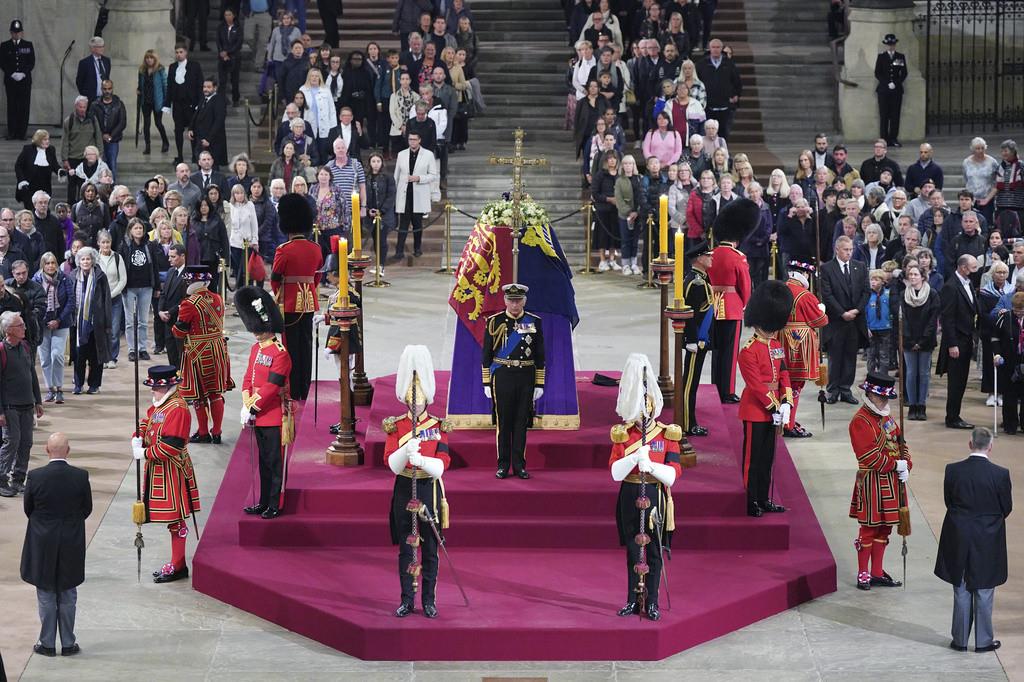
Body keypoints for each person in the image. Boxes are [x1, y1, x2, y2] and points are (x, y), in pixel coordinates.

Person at [609, 353, 680, 622]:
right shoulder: (623, 434)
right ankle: (631, 599)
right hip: (629, 493)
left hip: (655, 495)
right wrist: (633, 459)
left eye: (646, 408)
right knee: (631, 548)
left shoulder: (666, 433)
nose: (643, 415)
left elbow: (673, 475)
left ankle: (652, 601)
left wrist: (651, 466)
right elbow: (615, 473)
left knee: (653, 551)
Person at [382, 345, 452, 619]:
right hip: (403, 488)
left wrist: (421, 460)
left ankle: (429, 600)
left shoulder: (438, 425)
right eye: (411, 401)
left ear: (427, 400)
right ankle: (406, 600)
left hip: (428, 488)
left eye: (419, 400)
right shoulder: (396, 426)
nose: (415, 405)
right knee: (406, 548)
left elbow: (443, 465)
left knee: (430, 550)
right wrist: (404, 452)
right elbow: (390, 463)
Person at [934, 427, 1011, 653]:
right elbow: (1006, 508)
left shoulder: (953, 470)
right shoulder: (1000, 474)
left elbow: (949, 501)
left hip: (958, 533)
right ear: (990, 446)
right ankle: (984, 641)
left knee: (961, 585)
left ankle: (959, 640)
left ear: (970, 444)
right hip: (988, 536)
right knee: (985, 588)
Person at [19, 432, 90, 656]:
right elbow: (86, 509)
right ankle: (68, 643)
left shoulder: (35, 476)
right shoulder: (80, 476)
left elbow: (28, 509)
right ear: (68, 451)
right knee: (68, 592)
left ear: (47, 450)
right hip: (71, 540)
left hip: (42, 541)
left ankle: (47, 643)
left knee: (46, 591)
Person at [132, 365, 201, 584]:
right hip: (159, 470)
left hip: (173, 471)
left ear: (168, 386)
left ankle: (178, 564)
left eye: (155, 387)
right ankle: (177, 563)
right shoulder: (163, 404)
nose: (152, 391)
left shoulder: (178, 408)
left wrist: (144, 452)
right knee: (173, 520)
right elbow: (148, 421)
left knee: (177, 520)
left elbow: (172, 446)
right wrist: (138, 435)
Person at [849, 371, 910, 590]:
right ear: (870, 394)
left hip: (891, 483)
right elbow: (868, 456)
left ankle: (877, 571)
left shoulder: (887, 417)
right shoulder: (860, 421)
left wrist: (907, 465)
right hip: (872, 482)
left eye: (886, 397)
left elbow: (901, 443)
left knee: (885, 529)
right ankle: (863, 572)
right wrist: (896, 465)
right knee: (869, 528)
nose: (884, 401)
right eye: (881, 397)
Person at [738, 280, 794, 517]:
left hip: (775, 409)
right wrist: (775, 406)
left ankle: (764, 497)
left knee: (768, 458)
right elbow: (756, 386)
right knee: (753, 459)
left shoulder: (776, 344)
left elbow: (783, 373)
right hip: (755, 410)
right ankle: (751, 500)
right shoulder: (748, 351)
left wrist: (787, 401)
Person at [236, 285, 292, 520]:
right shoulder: (255, 348)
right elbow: (248, 377)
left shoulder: (281, 353)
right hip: (257, 413)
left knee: (274, 462)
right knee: (263, 462)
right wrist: (245, 403)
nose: (256, 334)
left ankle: (274, 503)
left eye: (260, 330)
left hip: (273, 414)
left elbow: (272, 387)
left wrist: (253, 406)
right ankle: (262, 501)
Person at [482, 283, 545, 480]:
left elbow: (540, 354)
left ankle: (519, 465)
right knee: (504, 423)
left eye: (518, 300)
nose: (515, 304)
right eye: (511, 300)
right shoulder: (494, 321)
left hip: (526, 376)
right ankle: (503, 465)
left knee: (521, 422)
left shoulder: (534, 322)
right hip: (502, 376)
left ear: (524, 301)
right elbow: (486, 354)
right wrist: (486, 382)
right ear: (505, 301)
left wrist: (539, 383)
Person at [171, 265, 233, 444]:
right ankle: (218, 431)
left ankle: (204, 432)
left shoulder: (188, 304)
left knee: (198, 395)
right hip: (219, 350)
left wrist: (176, 327)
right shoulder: (218, 298)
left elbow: (179, 332)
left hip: (198, 353)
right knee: (216, 393)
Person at [271, 194, 323, 402]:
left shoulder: (283, 250)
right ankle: (305, 387)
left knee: (290, 347)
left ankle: (293, 390)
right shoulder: (316, 248)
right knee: (306, 345)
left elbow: (275, 279)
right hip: (309, 302)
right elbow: (317, 276)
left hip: (290, 304)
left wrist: (280, 296)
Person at [708, 199, 756, 403]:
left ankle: (714, 385)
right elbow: (745, 286)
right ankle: (726, 391)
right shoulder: (738, 257)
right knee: (730, 351)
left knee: (717, 350)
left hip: (713, 305)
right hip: (732, 306)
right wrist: (745, 304)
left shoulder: (712, 253)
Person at [781, 261, 828, 438]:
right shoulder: (805, 295)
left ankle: (785, 418)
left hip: (780, 339)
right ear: (805, 275)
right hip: (799, 344)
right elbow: (820, 321)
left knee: (783, 382)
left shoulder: (781, 289)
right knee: (795, 385)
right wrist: (822, 310)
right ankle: (789, 423)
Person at [821, 236, 869, 404]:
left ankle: (846, 389)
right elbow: (827, 295)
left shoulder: (860, 267)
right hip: (836, 321)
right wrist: (842, 313)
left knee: (850, 356)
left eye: (850, 249)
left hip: (854, 321)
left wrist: (856, 310)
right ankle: (833, 390)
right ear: (837, 250)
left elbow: (866, 292)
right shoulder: (827, 269)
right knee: (835, 357)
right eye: (845, 250)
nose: (849, 253)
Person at [0, 311, 44, 496]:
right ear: (9, 330)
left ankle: (18, 479)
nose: (24, 328)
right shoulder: (1, 350)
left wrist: (38, 401)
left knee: (26, 443)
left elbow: (32, 375)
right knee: (12, 442)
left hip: (27, 404)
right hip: (10, 406)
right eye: (20, 326)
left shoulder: (25, 346)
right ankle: (2, 480)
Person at [938, 255, 981, 429]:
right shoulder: (950, 286)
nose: (975, 270)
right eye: (973, 267)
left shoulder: (967, 282)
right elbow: (947, 318)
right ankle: (952, 417)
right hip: (957, 341)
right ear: (963, 267)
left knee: (962, 380)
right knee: (956, 381)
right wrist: (952, 344)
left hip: (966, 338)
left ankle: (955, 414)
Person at [681, 239, 714, 436]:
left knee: (693, 382)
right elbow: (689, 313)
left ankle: (690, 421)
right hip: (696, 340)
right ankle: (687, 423)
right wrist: (691, 339)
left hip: (702, 339)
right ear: (699, 258)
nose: (711, 259)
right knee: (689, 384)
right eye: (708, 256)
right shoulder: (695, 282)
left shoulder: (701, 278)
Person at [899, 263, 940, 421]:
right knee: (910, 373)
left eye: (916, 274)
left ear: (923, 277)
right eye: (910, 275)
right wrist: (910, 339)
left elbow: (933, 319)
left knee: (923, 374)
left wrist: (922, 340)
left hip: (926, 340)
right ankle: (912, 406)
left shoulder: (932, 294)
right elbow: (903, 319)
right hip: (909, 340)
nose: (913, 277)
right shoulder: (904, 294)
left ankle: (921, 406)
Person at [34, 253, 74, 404]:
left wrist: (58, 320)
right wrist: (44, 321)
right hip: (42, 324)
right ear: (42, 265)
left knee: (57, 355)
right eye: (47, 263)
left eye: (53, 263)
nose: (50, 266)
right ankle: (49, 389)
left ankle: (59, 388)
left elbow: (71, 302)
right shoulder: (36, 280)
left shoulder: (64, 278)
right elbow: (34, 301)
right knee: (44, 359)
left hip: (61, 322)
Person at [70, 245, 112, 390]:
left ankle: (94, 385)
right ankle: (78, 384)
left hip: (96, 323)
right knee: (79, 355)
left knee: (95, 356)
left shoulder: (100, 276)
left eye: (88, 259)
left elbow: (107, 300)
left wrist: (107, 322)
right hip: (78, 323)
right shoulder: (73, 275)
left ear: (92, 260)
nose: (86, 262)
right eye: (83, 259)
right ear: (78, 261)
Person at [393, 131, 436, 261]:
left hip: (419, 193)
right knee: (403, 225)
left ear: (419, 140)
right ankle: (399, 250)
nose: (412, 142)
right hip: (404, 193)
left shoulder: (428, 155)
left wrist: (419, 178)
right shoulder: (401, 154)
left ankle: (417, 248)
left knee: (417, 224)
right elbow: (396, 175)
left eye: (415, 139)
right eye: (410, 139)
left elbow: (433, 175)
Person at [61, 96, 103, 205]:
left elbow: (98, 137)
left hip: (87, 158)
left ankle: (83, 204)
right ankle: (70, 205)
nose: (82, 109)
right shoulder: (69, 121)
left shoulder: (93, 120)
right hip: (73, 157)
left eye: (84, 107)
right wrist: (64, 159)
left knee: (85, 184)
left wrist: (99, 155)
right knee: (72, 184)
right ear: (76, 107)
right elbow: (64, 141)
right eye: (80, 107)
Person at [166, 43, 204, 165]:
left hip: (191, 104)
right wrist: (167, 103)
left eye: (181, 52)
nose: (178, 54)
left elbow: (199, 85)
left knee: (193, 130)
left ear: (186, 52)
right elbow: (170, 86)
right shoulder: (172, 67)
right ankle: (180, 155)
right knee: (178, 130)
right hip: (177, 104)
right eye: (177, 52)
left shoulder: (194, 66)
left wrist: (200, 102)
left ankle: (195, 154)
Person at [696, 40, 741, 139]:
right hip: (708, 106)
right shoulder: (702, 64)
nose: (715, 49)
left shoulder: (729, 64)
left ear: (721, 49)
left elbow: (737, 81)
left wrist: (735, 95)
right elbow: (697, 82)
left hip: (725, 105)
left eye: (718, 47)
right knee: (707, 132)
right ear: (709, 48)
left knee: (723, 133)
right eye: (713, 47)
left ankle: (722, 152)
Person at [993, 292, 1024, 434]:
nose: (1018, 312)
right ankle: (1009, 424)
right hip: (1008, 360)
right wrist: (997, 354)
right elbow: (995, 338)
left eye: (1021, 310)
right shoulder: (1005, 317)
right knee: (1009, 393)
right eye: (1016, 309)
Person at [1, 19, 35, 141]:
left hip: (24, 81)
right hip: (11, 81)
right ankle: (12, 132)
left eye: (18, 32)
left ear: (22, 33)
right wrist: (12, 74)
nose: (16, 34)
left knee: (24, 107)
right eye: (14, 32)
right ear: (11, 32)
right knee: (12, 106)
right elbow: (2, 63)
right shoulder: (5, 46)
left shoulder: (28, 45)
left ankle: (22, 133)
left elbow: (31, 62)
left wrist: (23, 74)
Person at [87, 80, 126, 180]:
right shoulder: (95, 105)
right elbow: (91, 122)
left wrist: (111, 136)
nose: (107, 91)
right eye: (105, 89)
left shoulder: (119, 104)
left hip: (113, 140)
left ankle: (112, 188)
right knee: (99, 165)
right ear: (101, 89)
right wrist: (101, 135)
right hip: (98, 140)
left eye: (109, 89)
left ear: (112, 89)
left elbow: (122, 122)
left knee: (112, 164)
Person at [874, 34, 907, 147]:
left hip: (896, 91)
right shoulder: (881, 57)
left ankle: (893, 138)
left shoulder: (900, 57)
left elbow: (904, 73)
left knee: (895, 115)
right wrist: (887, 83)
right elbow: (877, 73)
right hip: (883, 90)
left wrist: (896, 83)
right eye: (889, 45)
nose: (890, 47)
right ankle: (884, 139)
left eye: (892, 44)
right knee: (884, 115)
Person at [158, 245, 187, 369]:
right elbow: (163, 294)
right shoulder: (170, 272)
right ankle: (174, 377)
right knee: (171, 351)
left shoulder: (188, 275)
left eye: (173, 257)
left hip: (180, 319)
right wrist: (160, 310)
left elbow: (186, 299)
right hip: (168, 319)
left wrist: (170, 311)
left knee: (181, 352)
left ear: (182, 256)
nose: (169, 259)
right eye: (169, 256)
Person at [15, 130, 60, 211]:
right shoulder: (28, 149)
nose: (47, 141)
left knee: (43, 210)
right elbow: (18, 166)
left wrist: (60, 171)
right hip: (29, 186)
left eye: (48, 139)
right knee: (30, 210)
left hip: (45, 186)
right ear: (38, 140)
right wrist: (22, 180)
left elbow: (54, 165)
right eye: (45, 139)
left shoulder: (51, 150)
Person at [366, 151, 397, 264]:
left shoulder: (388, 177)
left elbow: (391, 195)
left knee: (382, 240)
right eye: (373, 161)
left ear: (382, 163)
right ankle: (379, 261)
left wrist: (382, 210)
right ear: (369, 163)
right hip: (370, 214)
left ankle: (381, 264)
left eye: (378, 161)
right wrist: (368, 210)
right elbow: (363, 195)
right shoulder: (366, 177)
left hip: (384, 214)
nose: (376, 164)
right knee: (375, 239)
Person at [226, 184, 259, 289]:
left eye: (241, 193)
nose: (239, 196)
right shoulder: (230, 206)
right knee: (237, 270)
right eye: (237, 193)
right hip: (234, 243)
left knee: (246, 270)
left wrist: (255, 240)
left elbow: (254, 224)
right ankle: (239, 291)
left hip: (247, 243)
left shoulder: (250, 205)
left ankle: (247, 290)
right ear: (233, 195)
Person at [190, 77, 228, 167]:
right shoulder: (204, 99)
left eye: (208, 87)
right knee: (201, 165)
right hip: (200, 138)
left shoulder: (219, 101)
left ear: (215, 88)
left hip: (212, 141)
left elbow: (219, 122)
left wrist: (209, 139)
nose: (205, 89)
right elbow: (197, 114)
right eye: (204, 87)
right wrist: (191, 128)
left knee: (212, 167)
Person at [216, 7, 243, 106]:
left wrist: (228, 52)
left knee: (234, 80)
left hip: (234, 57)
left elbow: (238, 43)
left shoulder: (238, 28)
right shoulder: (221, 27)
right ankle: (221, 99)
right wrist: (222, 52)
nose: (227, 17)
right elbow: (218, 41)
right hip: (222, 57)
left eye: (229, 15)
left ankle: (236, 99)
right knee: (222, 80)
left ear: (234, 15)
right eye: (226, 15)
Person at [75, 36, 110, 101]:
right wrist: (85, 96)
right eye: (99, 47)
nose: (102, 49)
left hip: (104, 98)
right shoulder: (84, 63)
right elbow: (79, 82)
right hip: (90, 99)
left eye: (103, 46)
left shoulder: (106, 61)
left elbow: (107, 78)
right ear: (92, 48)